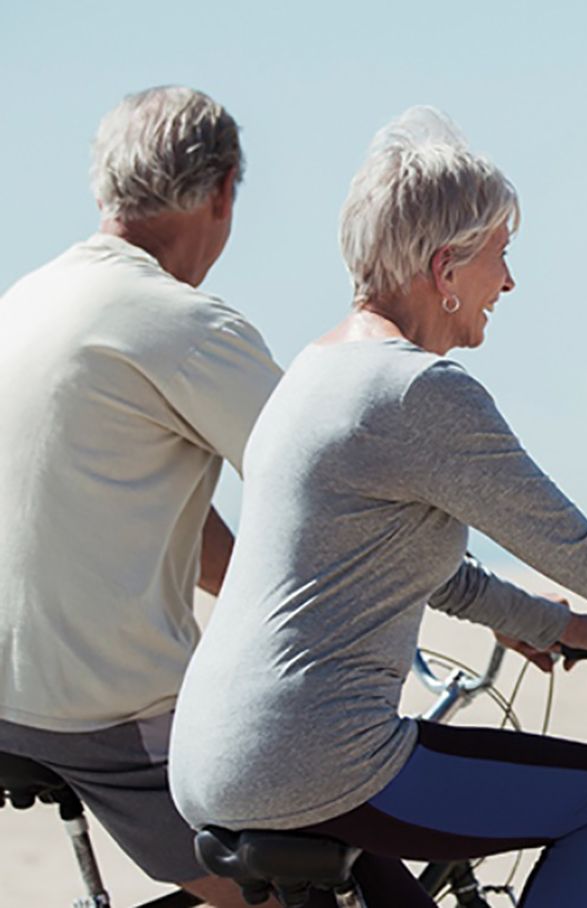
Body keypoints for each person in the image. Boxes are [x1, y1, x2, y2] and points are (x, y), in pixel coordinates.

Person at [169, 107, 587, 908]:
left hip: (215, 758)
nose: (509, 282)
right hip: (320, 762)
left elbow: (422, 567)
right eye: (501, 256)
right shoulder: (419, 392)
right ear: (445, 268)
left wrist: (554, 626)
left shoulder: (315, 376)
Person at [0, 87, 282, 906]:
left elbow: (132, 508)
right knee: (308, 884)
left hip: (12, 690)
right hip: (101, 711)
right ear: (224, 190)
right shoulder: (186, 327)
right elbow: (340, 485)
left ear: (103, 190)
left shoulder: (24, 302)